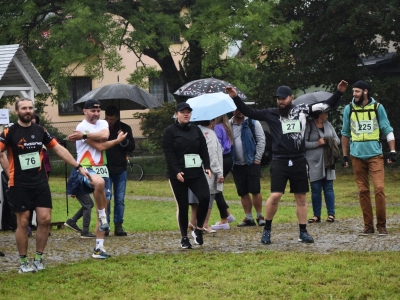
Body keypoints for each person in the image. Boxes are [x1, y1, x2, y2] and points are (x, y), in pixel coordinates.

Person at [226, 80, 348, 244]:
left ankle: (303, 232)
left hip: (298, 159)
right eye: (278, 99)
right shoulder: (271, 113)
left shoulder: (303, 111)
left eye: (283, 98)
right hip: (280, 160)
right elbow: (250, 111)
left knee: (301, 198)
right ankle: (267, 230)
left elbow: (324, 106)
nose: (281, 101)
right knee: (275, 195)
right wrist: (235, 98)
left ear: (291, 97)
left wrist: (338, 92)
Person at [0, 97, 91, 273]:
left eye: (30, 108)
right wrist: (7, 170)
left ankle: (39, 258)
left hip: (40, 182)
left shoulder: (40, 130)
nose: (28, 110)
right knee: (23, 222)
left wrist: (78, 166)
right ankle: (23, 261)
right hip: (19, 183)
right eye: (24, 108)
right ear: (17, 111)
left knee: (45, 219)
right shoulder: (9, 132)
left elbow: (58, 149)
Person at [67, 99, 127, 259]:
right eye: (92, 110)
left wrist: (86, 136)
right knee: (98, 184)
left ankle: (99, 248)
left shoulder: (102, 124)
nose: (96, 113)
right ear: (84, 111)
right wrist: (116, 141)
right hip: (86, 168)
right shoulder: (80, 127)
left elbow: (104, 136)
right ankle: (101, 216)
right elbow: (100, 146)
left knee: (105, 206)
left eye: (98, 110)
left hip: (102, 167)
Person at [341, 80, 396, 235]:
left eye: (357, 91)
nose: (354, 94)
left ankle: (381, 225)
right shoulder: (349, 109)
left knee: (379, 189)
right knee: (363, 190)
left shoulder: (377, 107)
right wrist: (345, 156)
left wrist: (392, 151)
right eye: (353, 92)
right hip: (356, 155)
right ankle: (368, 226)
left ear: (365, 92)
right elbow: (345, 133)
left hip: (375, 155)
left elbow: (387, 128)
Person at [162, 102, 211, 249]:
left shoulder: (196, 129)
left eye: (188, 112)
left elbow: (203, 149)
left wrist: (207, 166)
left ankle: (199, 228)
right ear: (176, 114)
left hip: (196, 171)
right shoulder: (169, 131)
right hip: (178, 174)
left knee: (205, 197)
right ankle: (184, 237)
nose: (186, 114)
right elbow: (168, 153)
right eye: (182, 112)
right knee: (182, 206)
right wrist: (176, 170)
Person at [229, 108, 266, 227]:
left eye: (241, 108)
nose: (239, 111)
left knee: (255, 190)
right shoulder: (228, 125)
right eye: (236, 109)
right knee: (242, 192)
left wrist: (257, 159)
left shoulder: (253, 122)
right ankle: (248, 218)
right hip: (236, 163)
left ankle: (260, 216)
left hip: (252, 162)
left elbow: (261, 141)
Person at [188, 118, 224, 233]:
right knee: (209, 197)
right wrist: (219, 172)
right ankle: (205, 223)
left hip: (194, 168)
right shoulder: (211, 134)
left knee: (195, 198)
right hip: (209, 171)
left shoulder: (193, 131)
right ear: (211, 121)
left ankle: (193, 222)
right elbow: (212, 155)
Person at [104, 105, 135, 236]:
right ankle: (105, 225)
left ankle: (118, 225)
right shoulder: (102, 128)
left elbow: (132, 146)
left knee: (120, 198)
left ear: (117, 117)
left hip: (120, 168)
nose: (109, 121)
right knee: (106, 198)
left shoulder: (125, 128)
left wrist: (123, 140)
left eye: (112, 119)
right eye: (107, 118)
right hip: (105, 167)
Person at [305, 111, 340, 223]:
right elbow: (303, 143)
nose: (327, 115)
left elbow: (337, 140)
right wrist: (317, 143)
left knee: (329, 187)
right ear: (319, 114)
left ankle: (331, 214)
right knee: (315, 189)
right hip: (313, 162)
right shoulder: (309, 125)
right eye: (325, 113)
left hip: (328, 160)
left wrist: (329, 141)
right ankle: (316, 215)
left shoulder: (328, 124)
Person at [211, 114, 236, 230]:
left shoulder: (216, 128)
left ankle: (224, 219)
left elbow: (218, 146)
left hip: (222, 159)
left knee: (216, 190)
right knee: (217, 189)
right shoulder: (226, 126)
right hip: (228, 158)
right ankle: (227, 214)